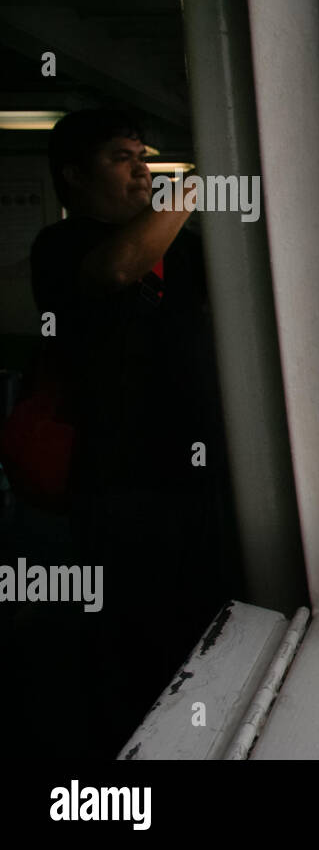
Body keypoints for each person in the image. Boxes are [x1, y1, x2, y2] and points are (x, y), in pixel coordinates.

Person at [28, 108, 240, 757]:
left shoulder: (190, 250)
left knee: (202, 643)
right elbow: (120, 268)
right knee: (127, 656)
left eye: (145, 158)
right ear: (73, 175)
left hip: (202, 486)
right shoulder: (61, 248)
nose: (142, 171)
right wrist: (201, 182)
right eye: (123, 158)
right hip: (119, 492)